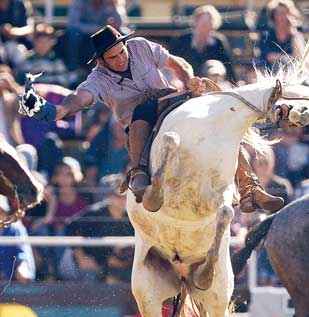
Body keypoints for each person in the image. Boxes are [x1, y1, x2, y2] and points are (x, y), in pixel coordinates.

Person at [19, 25, 283, 214]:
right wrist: (55, 112)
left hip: (172, 101)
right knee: (143, 108)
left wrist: (187, 79)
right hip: (138, 124)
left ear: (125, 44)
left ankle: (249, 188)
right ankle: (139, 171)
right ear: (101, 60)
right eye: (113, 57)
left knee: (217, 128)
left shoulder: (140, 46)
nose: (121, 58)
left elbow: (176, 63)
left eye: (121, 51)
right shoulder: (97, 79)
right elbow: (79, 99)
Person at [171, 5, 237, 84]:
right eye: (201, 20)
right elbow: (173, 60)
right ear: (195, 21)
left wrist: (235, 83)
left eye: (208, 21)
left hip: (211, 83)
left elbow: (228, 65)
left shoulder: (218, 41)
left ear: (213, 23)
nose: (204, 24)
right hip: (186, 80)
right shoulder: (183, 39)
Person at [255, 0, 307, 70]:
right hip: (271, 72)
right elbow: (268, 56)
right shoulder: (267, 35)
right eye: (279, 13)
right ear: (273, 16)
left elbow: (301, 57)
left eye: (286, 13)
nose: (282, 17)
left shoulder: (296, 34)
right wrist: (288, 58)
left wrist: (293, 34)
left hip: (292, 73)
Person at [16, 23, 69, 88]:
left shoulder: (57, 61)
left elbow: (63, 83)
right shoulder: (26, 60)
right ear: (34, 41)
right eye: (40, 42)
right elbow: (21, 83)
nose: (42, 46)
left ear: (52, 43)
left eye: (45, 42)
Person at [0, 195, 34, 281]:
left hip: (11, 281)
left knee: (23, 275)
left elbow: (23, 253)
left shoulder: (15, 228)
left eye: (1, 212)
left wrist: (22, 268)